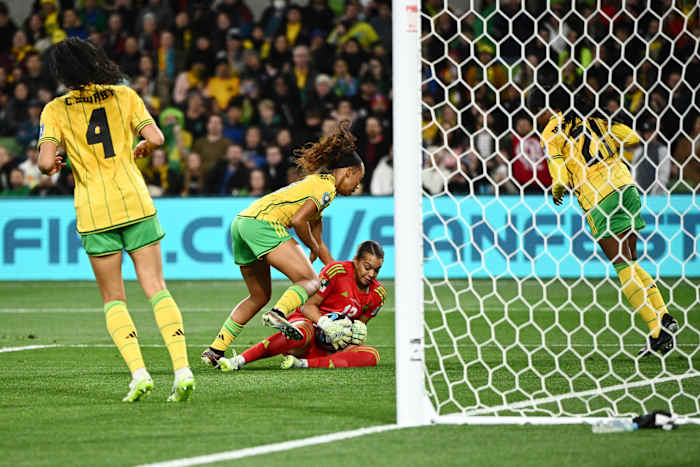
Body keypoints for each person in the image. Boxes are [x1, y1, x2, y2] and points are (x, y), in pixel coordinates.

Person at [37, 38, 195, 402]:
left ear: (62, 73)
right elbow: (155, 136)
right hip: (135, 202)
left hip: (94, 210)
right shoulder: (125, 96)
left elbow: (45, 164)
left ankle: (139, 374)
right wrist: (144, 147)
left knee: (114, 298)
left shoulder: (55, 109)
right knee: (156, 286)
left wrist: (59, 162)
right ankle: (182, 368)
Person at [201, 120, 365, 368]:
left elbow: (318, 238)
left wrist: (337, 272)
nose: (357, 187)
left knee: (258, 296)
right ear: (349, 171)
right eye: (357, 180)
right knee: (310, 281)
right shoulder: (326, 188)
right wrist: (310, 246)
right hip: (264, 224)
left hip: (242, 223)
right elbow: (300, 222)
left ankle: (215, 350)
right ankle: (279, 314)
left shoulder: (317, 185)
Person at [541, 87, 679, 357]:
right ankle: (663, 315)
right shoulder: (597, 120)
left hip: (599, 197)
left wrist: (558, 184)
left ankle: (657, 332)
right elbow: (632, 137)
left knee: (622, 266)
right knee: (631, 260)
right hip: (626, 187)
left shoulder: (553, 128)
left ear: (552, 105)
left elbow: (556, 161)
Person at [218, 241, 386, 371]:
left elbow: (360, 324)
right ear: (356, 261)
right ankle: (238, 361)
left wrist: (356, 332)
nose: (371, 274)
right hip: (308, 328)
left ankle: (303, 364)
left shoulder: (378, 294)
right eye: (367, 267)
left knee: (372, 355)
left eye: (376, 270)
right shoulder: (337, 272)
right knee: (301, 333)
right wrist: (325, 323)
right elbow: (307, 306)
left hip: (331, 344)